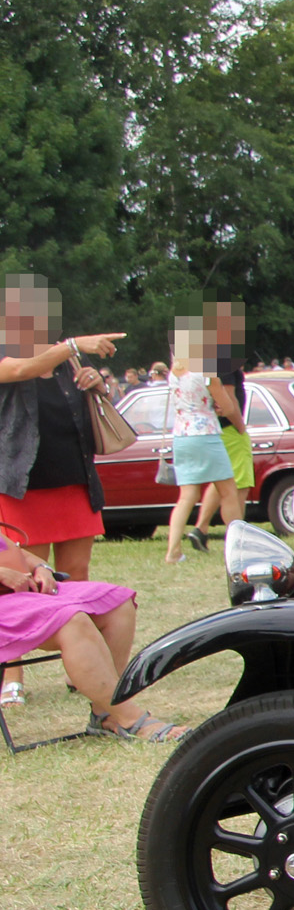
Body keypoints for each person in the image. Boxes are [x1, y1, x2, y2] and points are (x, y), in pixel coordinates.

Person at [0, 275, 124, 707]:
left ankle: (83, 669)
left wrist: (95, 383)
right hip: (19, 485)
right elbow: (22, 370)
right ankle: (11, 678)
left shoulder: (67, 362)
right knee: (15, 582)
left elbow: (87, 409)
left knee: (77, 573)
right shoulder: (9, 355)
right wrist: (74, 345)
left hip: (73, 478)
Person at [0, 535, 180, 740]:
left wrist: (42, 567)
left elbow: (11, 550)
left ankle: (105, 713)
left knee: (117, 602)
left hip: (25, 591)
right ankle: (129, 717)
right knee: (71, 620)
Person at [162, 317, 243, 564]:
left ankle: (172, 551)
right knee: (228, 490)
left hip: (182, 435)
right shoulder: (207, 371)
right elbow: (228, 406)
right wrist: (222, 407)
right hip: (206, 434)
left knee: (186, 496)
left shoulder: (174, 370)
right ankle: (239, 543)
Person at [191, 300, 250, 551]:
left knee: (222, 482)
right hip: (229, 429)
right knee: (240, 485)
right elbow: (228, 397)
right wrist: (240, 425)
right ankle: (238, 536)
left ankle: (200, 529)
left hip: (214, 429)